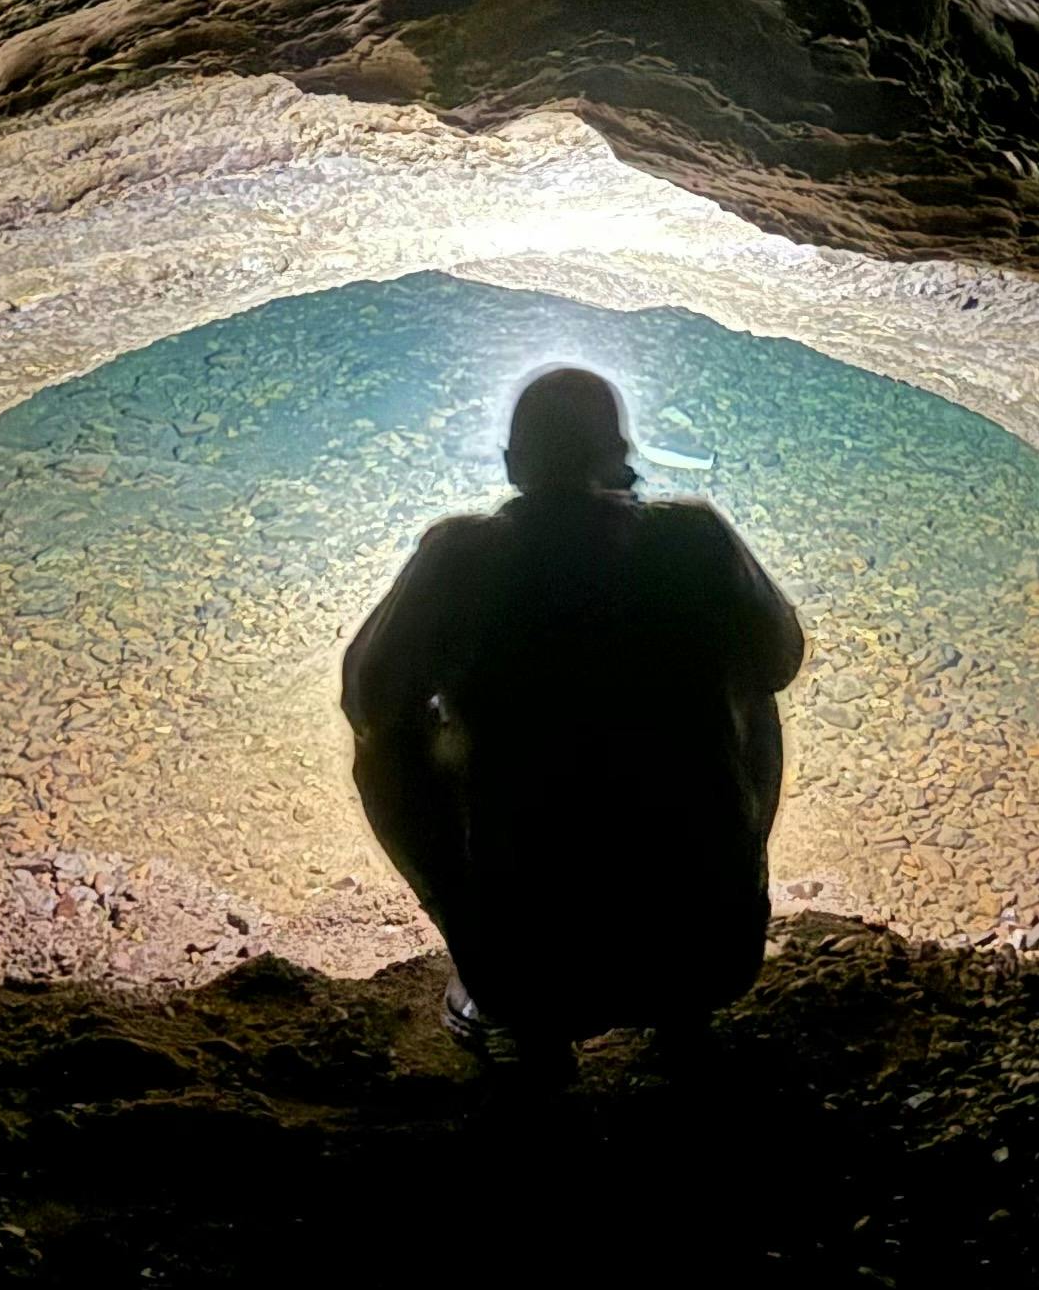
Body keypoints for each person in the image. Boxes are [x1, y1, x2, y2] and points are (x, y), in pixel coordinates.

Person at [341, 365, 804, 1073]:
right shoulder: (697, 538)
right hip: (709, 956)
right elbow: (779, 656)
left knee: (384, 744)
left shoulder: (460, 557)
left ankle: (497, 976)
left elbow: (367, 698)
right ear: (620, 454)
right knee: (752, 690)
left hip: (530, 970)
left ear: (512, 466)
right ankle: (690, 987)